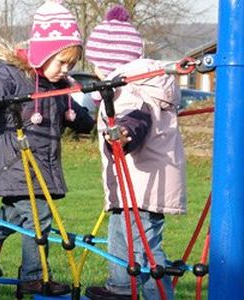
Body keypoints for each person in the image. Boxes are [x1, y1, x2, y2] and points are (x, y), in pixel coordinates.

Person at [0, 0, 95, 295]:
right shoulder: (13, 77)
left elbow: (73, 113)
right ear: (42, 54)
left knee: (10, 219)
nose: (65, 69)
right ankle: (34, 276)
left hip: (39, 169)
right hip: (16, 166)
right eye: (60, 61)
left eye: (70, 65)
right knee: (39, 218)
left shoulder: (57, 87)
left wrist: (91, 121)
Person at [83, 5, 186, 300]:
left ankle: (157, 296)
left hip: (141, 186)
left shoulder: (130, 88)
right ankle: (118, 288)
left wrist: (124, 133)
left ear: (107, 65)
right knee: (121, 236)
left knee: (145, 250)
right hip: (135, 185)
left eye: (96, 66)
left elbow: (135, 119)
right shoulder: (143, 83)